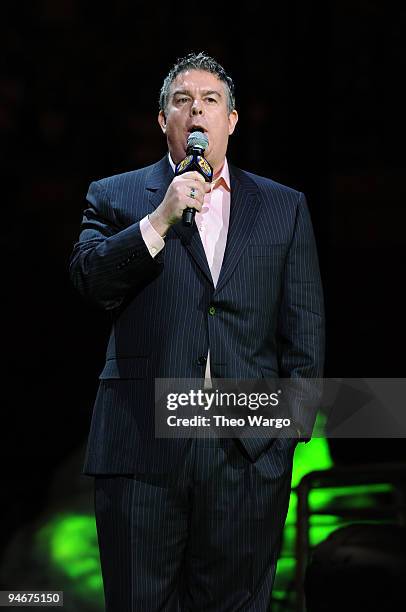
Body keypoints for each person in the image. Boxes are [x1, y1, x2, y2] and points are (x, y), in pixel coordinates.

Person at [69, 51, 325, 612]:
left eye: (211, 101)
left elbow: (304, 335)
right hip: (141, 451)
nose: (197, 110)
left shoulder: (283, 208)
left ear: (231, 121)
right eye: (182, 101)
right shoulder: (115, 196)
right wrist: (159, 219)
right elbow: (89, 282)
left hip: (245, 455)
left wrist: (281, 444)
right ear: (164, 121)